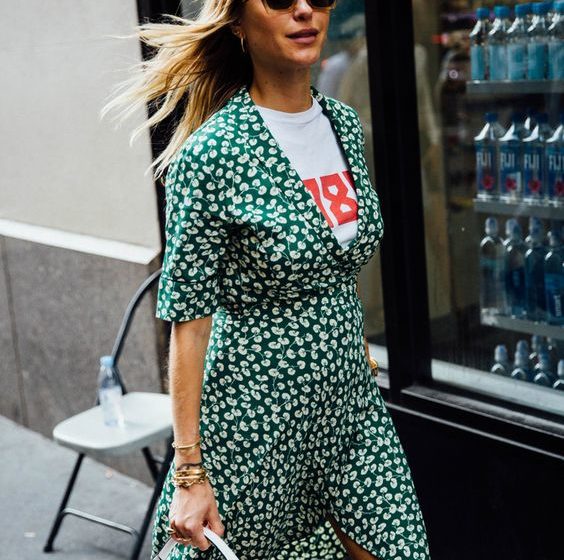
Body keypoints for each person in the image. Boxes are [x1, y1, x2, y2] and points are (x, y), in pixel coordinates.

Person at [101, 1, 432, 559]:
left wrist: (347, 342)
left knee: (400, 547)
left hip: (349, 408)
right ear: (237, 21)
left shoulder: (342, 124)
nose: (304, 10)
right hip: (255, 416)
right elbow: (189, 323)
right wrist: (189, 473)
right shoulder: (211, 155)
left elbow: (334, 260)